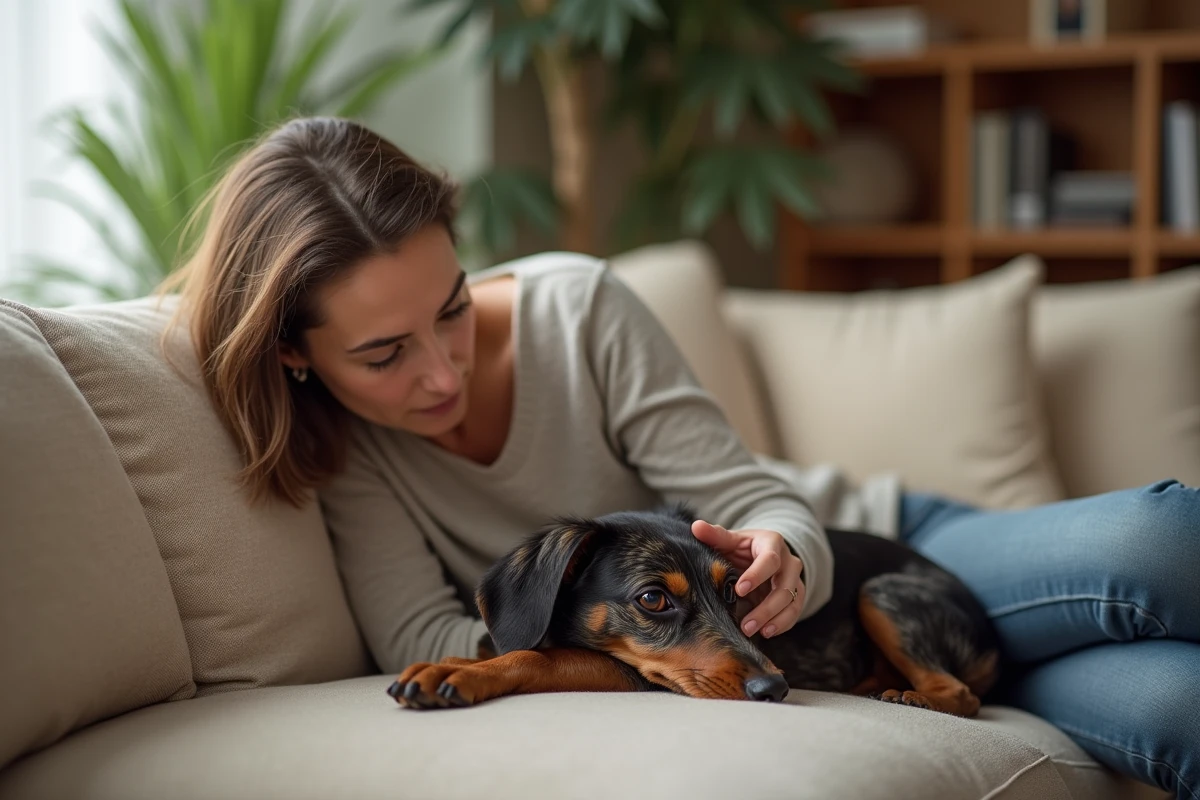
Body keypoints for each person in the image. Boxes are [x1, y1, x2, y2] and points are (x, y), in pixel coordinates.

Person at [168, 117, 1197, 798]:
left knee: (1160, 536)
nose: (442, 372)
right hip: (828, 655)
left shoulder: (578, 311)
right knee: (1171, 708)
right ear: (295, 353)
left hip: (878, 544)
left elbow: (754, 495)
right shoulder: (341, 453)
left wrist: (784, 554)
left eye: (452, 309)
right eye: (385, 352)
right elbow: (434, 639)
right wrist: (646, 656)